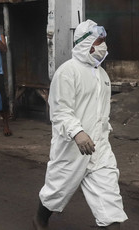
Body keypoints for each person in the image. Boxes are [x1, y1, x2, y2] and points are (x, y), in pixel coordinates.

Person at [33, 20, 127, 230]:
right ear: (87, 43)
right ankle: (40, 219)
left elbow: (103, 112)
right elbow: (60, 110)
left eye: (104, 40)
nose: (103, 45)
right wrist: (77, 132)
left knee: (110, 202)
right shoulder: (67, 71)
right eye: (99, 40)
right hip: (71, 148)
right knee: (57, 190)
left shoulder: (102, 74)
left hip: (99, 148)